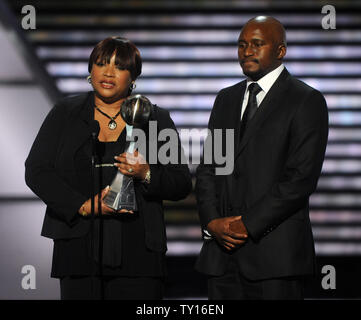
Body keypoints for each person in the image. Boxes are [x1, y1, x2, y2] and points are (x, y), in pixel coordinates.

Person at [25, 36, 192, 300]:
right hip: (78, 251)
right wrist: (83, 205)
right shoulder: (65, 113)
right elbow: (37, 170)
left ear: (133, 77)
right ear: (90, 70)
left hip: (139, 254)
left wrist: (146, 173)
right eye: (101, 63)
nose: (109, 72)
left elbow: (180, 182)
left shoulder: (156, 118)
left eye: (120, 66)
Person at [195, 16, 329, 300]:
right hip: (222, 257)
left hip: (275, 258)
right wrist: (212, 222)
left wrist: (247, 224)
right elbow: (209, 168)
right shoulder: (226, 98)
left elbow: (300, 179)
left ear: (281, 51)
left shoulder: (306, 100)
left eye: (257, 44)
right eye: (242, 45)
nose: (247, 51)